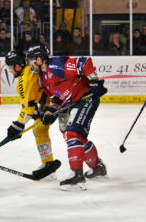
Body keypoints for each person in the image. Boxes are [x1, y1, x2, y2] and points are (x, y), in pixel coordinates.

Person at [27, 44, 107, 190]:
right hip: (75, 103)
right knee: (79, 138)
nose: (29, 65)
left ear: (39, 60)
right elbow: (54, 97)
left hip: (87, 98)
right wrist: (51, 111)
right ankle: (97, 167)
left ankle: (77, 176)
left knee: (72, 133)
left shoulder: (56, 65)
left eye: (31, 61)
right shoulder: (42, 79)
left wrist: (94, 81)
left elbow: (83, 62)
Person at [4, 50, 61, 179]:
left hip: (57, 101)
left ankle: (94, 164)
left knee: (71, 133)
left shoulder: (26, 78)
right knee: (39, 128)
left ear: (18, 66)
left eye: (10, 67)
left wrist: (18, 124)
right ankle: (48, 165)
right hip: (49, 103)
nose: (10, 70)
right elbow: (30, 105)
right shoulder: (26, 74)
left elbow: (28, 108)